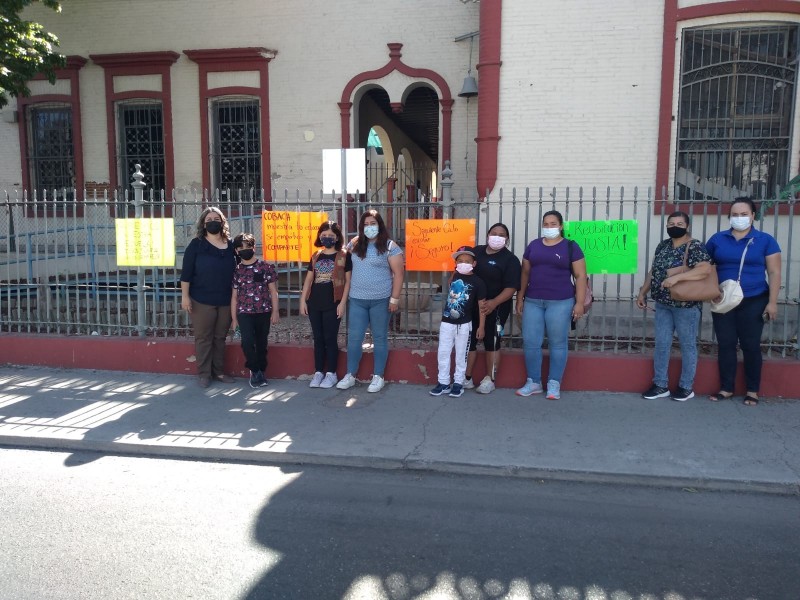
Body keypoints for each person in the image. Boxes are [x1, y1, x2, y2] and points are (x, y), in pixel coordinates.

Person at [705, 197, 781, 406]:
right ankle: (726, 388)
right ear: (729, 217)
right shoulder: (717, 239)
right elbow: (706, 267)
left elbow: (774, 272)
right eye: (735, 215)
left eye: (744, 214)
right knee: (726, 344)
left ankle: (752, 390)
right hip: (723, 300)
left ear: (753, 216)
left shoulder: (765, 240)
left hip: (754, 298)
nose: (739, 218)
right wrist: (711, 291)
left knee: (750, 345)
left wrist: (772, 302)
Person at [636, 211, 712, 402]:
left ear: (687, 226)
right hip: (663, 304)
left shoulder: (694, 246)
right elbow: (654, 270)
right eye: (671, 223)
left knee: (687, 345)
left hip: (686, 305)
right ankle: (660, 384)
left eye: (679, 223)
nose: (674, 226)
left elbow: (704, 269)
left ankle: (686, 387)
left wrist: (677, 277)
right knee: (662, 344)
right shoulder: (663, 245)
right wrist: (643, 292)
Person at [515, 210, 588, 400]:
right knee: (531, 342)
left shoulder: (571, 246)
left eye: (553, 224)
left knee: (558, 343)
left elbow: (580, 276)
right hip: (533, 301)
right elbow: (525, 273)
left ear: (561, 226)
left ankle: (554, 383)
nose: (549, 227)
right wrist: (520, 297)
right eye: (546, 224)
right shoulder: (534, 246)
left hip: (561, 302)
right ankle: (534, 382)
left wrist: (579, 303)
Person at [336, 210, 404, 393]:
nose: (369, 227)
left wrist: (394, 299)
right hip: (357, 300)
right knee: (354, 339)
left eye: (373, 223)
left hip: (381, 301)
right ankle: (350, 374)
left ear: (380, 225)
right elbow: (342, 256)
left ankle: (378, 376)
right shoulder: (355, 243)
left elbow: (399, 274)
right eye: (365, 224)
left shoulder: (390, 246)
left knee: (380, 338)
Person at [180, 207, 237, 388]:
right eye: (209, 219)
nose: (213, 221)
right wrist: (185, 297)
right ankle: (204, 374)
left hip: (226, 300)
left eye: (216, 218)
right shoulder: (196, 245)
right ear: (203, 224)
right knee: (204, 337)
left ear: (222, 222)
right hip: (201, 299)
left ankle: (218, 372)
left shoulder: (231, 245)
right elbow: (186, 273)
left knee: (220, 337)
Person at [463, 222, 521, 394]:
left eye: (502, 234)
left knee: (492, 341)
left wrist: (494, 302)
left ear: (507, 239)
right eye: (494, 233)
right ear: (488, 235)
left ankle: (490, 379)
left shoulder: (510, 260)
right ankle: (466, 378)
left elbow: (511, 288)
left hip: (496, 307)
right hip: (472, 305)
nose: (497, 237)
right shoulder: (477, 252)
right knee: (469, 340)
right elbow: (464, 267)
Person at [299, 221, 352, 389]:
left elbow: (348, 281)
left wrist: (342, 303)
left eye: (330, 235)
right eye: (324, 234)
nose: (327, 238)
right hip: (314, 303)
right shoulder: (316, 255)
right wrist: (303, 301)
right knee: (318, 338)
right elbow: (308, 280)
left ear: (337, 238)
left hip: (333, 303)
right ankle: (318, 372)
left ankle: (331, 373)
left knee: (330, 338)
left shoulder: (344, 255)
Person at [430, 246, 487, 398]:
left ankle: (458, 383)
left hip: (464, 325)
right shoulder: (454, 277)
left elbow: (482, 306)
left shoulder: (478, 282)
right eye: (460, 261)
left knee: (461, 354)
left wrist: (481, 326)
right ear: (455, 263)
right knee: (443, 353)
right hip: (447, 322)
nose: (463, 263)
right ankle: (443, 382)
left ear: (474, 263)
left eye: (467, 261)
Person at [230, 233, 280, 388]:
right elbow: (234, 297)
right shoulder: (237, 271)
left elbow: (273, 291)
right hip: (244, 313)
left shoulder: (265, 267)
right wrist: (234, 318)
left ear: (254, 247)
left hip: (263, 311)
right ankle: (254, 369)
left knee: (261, 343)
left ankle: (261, 371)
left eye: (247, 246)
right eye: (240, 247)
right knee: (247, 342)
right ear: (237, 250)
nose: (244, 250)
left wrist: (275, 311)